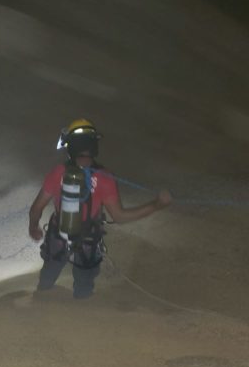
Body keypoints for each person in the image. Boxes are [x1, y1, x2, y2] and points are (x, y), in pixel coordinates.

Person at [29, 119, 171, 299]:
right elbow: (119, 217)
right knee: (83, 289)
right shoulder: (105, 177)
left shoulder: (59, 172)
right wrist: (156, 205)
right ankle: (81, 310)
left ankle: (40, 303)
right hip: (88, 240)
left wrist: (33, 227)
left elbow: (36, 208)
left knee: (46, 281)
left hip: (59, 236)